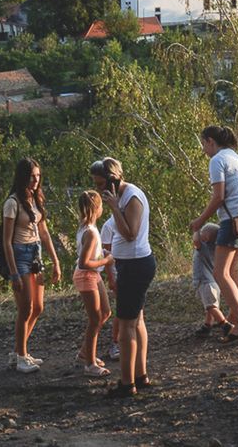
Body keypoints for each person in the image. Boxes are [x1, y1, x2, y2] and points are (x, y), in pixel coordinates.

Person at [94, 157, 157, 397]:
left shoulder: (131, 197)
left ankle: (127, 383)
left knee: (127, 325)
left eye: (101, 184)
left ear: (113, 179)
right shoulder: (121, 196)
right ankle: (140, 376)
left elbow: (131, 233)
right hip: (130, 264)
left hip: (135, 265)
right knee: (136, 320)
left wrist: (113, 207)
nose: (99, 190)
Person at [189, 126, 238, 343]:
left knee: (220, 273)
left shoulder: (217, 160)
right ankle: (235, 316)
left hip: (232, 220)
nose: (203, 149)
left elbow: (218, 196)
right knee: (232, 270)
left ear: (211, 141)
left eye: (203, 144)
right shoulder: (237, 157)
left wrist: (200, 221)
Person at [1, 157, 61, 374]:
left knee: (38, 307)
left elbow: (44, 233)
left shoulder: (36, 199)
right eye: (32, 176)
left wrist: (55, 261)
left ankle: (19, 352)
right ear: (22, 177)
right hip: (20, 255)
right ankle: (21, 358)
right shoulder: (12, 203)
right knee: (25, 308)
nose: (36, 180)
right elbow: (6, 241)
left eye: (38, 176)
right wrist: (14, 273)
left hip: (36, 255)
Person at [73, 190, 114, 376]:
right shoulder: (90, 232)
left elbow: (90, 254)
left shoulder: (89, 228)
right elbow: (84, 262)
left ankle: (85, 353)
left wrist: (102, 254)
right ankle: (90, 364)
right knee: (95, 319)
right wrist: (105, 261)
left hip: (93, 275)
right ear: (97, 208)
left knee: (105, 312)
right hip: (86, 275)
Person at [192, 222, 229, 336]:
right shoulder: (217, 249)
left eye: (202, 232)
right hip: (213, 283)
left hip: (206, 283)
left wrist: (196, 228)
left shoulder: (204, 247)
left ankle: (225, 324)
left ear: (206, 237)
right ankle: (207, 325)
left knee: (211, 307)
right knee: (210, 306)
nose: (199, 234)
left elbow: (196, 241)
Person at [99, 214, 121, 360]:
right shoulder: (108, 226)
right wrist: (111, 278)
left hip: (130, 269)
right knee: (121, 308)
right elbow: (106, 255)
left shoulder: (128, 220)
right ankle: (115, 343)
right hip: (117, 271)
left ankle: (130, 340)